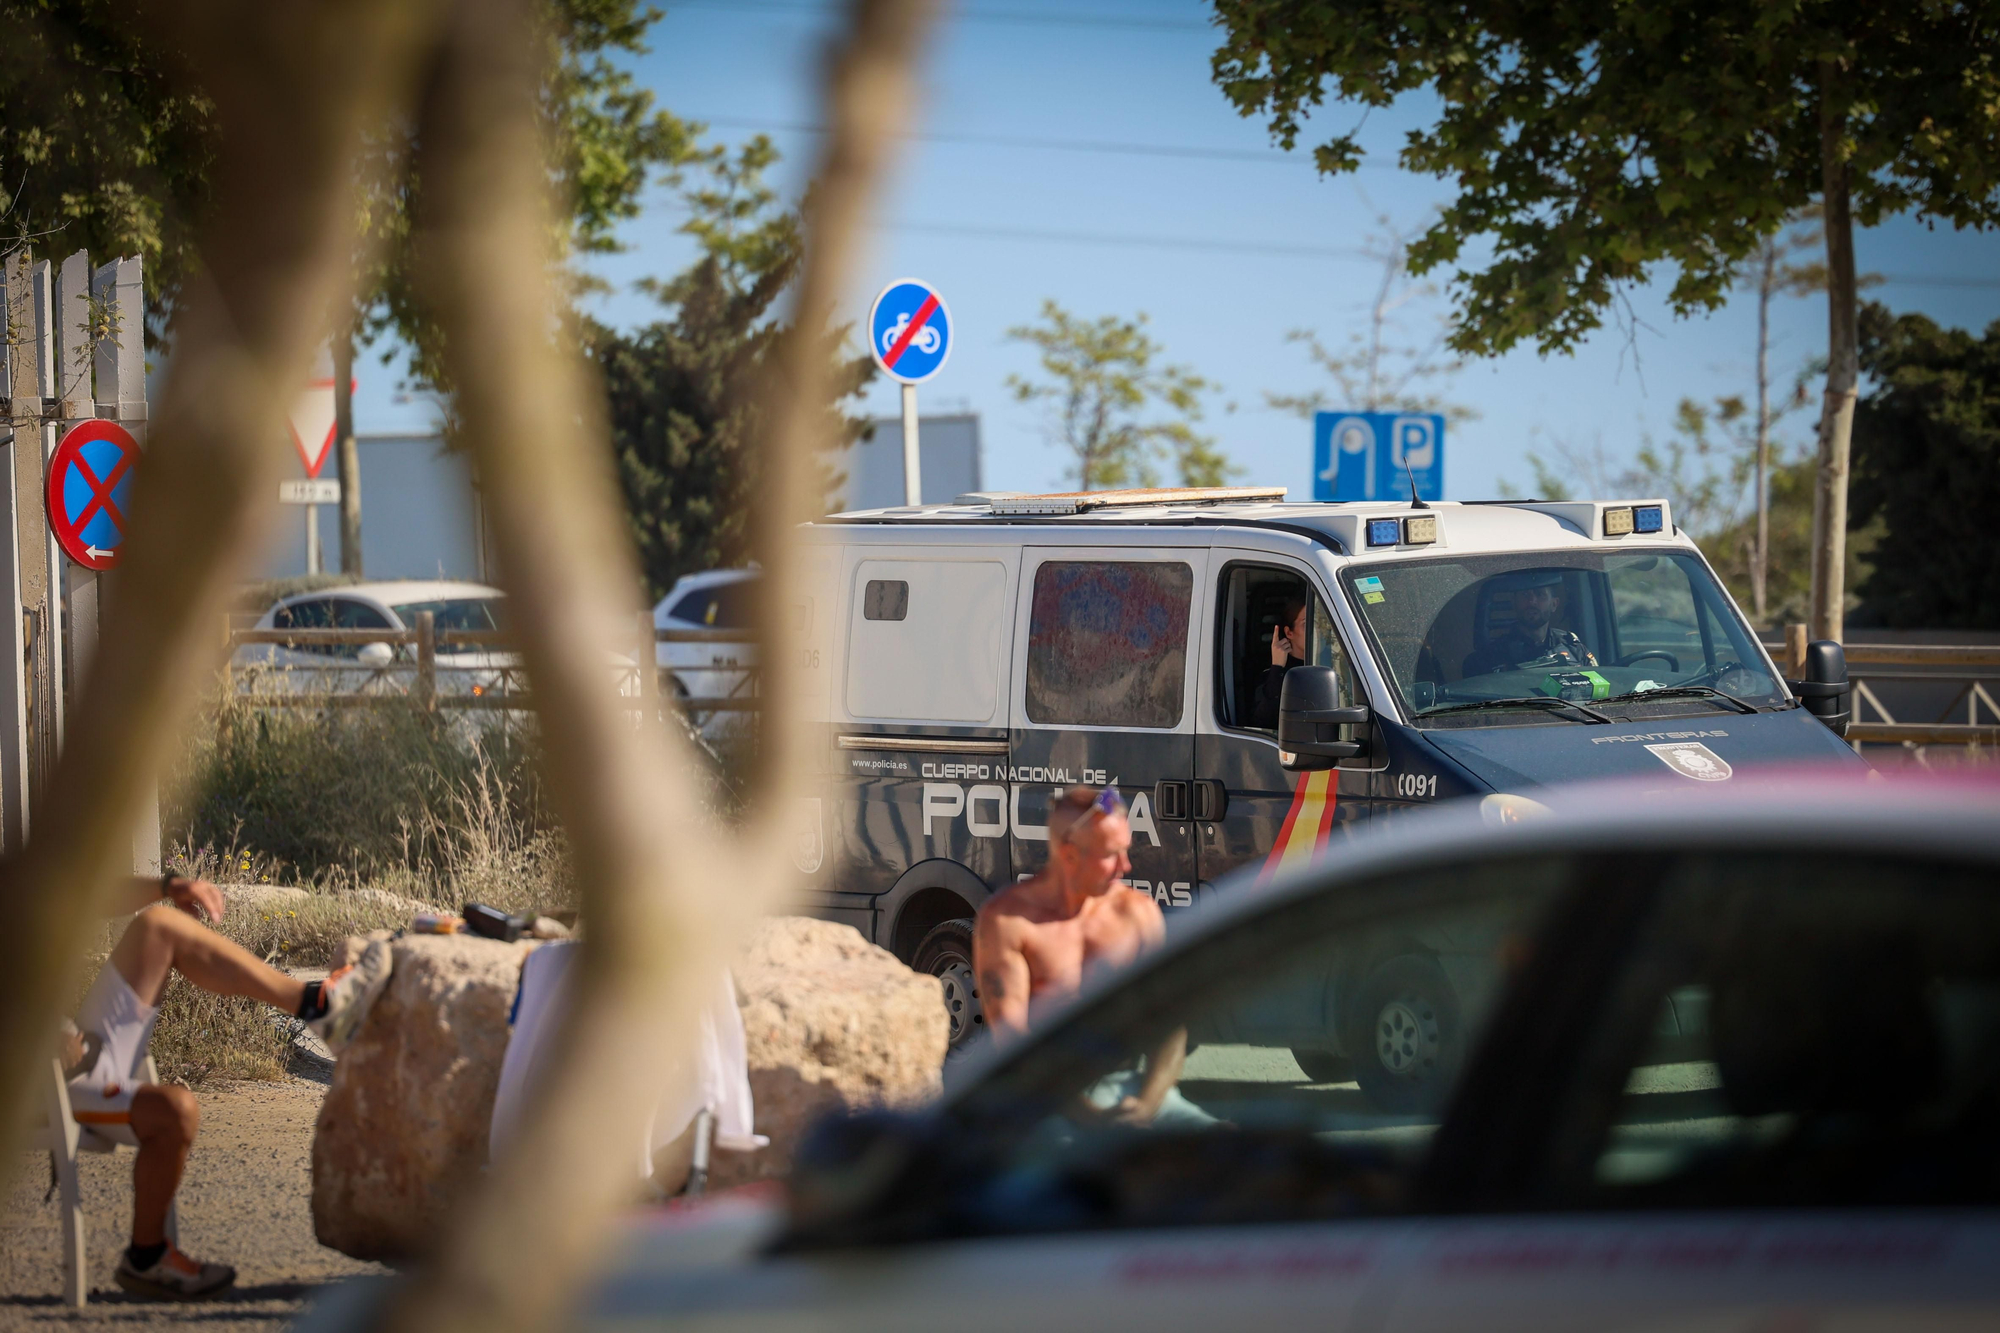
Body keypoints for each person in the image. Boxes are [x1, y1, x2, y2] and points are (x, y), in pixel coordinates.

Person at [58, 874, 389, 1300]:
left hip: (84, 1047)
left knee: (160, 926)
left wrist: (167, 885)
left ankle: (319, 1007)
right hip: (43, 1079)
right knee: (175, 1111)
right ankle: (146, 1258)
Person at [973, 786, 1204, 1127]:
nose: (1126, 866)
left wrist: (1146, 1104)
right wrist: (1088, 1119)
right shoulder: (1009, 923)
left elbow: (1169, 1024)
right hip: (1042, 1104)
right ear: (1069, 855)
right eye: (1112, 854)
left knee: (1230, 1147)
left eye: (1126, 850)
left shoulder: (1137, 914)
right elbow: (1014, 1046)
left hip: (1134, 1089)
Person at [1463, 568, 1598, 675]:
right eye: (1525, 594)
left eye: (1540, 594)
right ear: (1513, 603)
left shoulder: (1574, 649)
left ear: (1554, 604)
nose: (1532, 601)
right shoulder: (1489, 658)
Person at [1249, 594, 1309, 729]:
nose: (1316, 630)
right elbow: (1262, 722)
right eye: (1306, 624)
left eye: (1320, 622)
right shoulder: (1271, 674)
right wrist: (1277, 667)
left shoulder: (1334, 662)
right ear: (1289, 633)